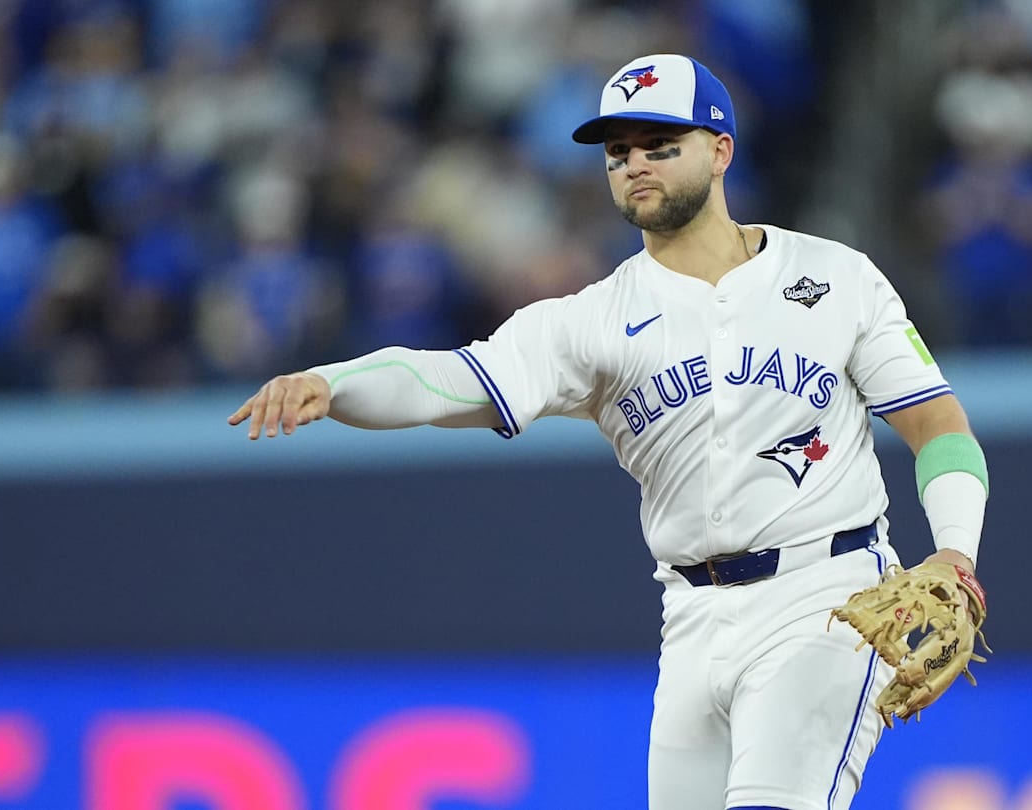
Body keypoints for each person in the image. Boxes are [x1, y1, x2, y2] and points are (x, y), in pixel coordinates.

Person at [228, 54, 989, 810]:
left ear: (721, 151)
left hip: (827, 595)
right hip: (692, 617)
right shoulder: (591, 320)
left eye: (662, 145)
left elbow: (938, 424)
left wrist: (955, 553)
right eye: (619, 152)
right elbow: (447, 379)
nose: (636, 164)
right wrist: (333, 384)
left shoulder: (836, 278)